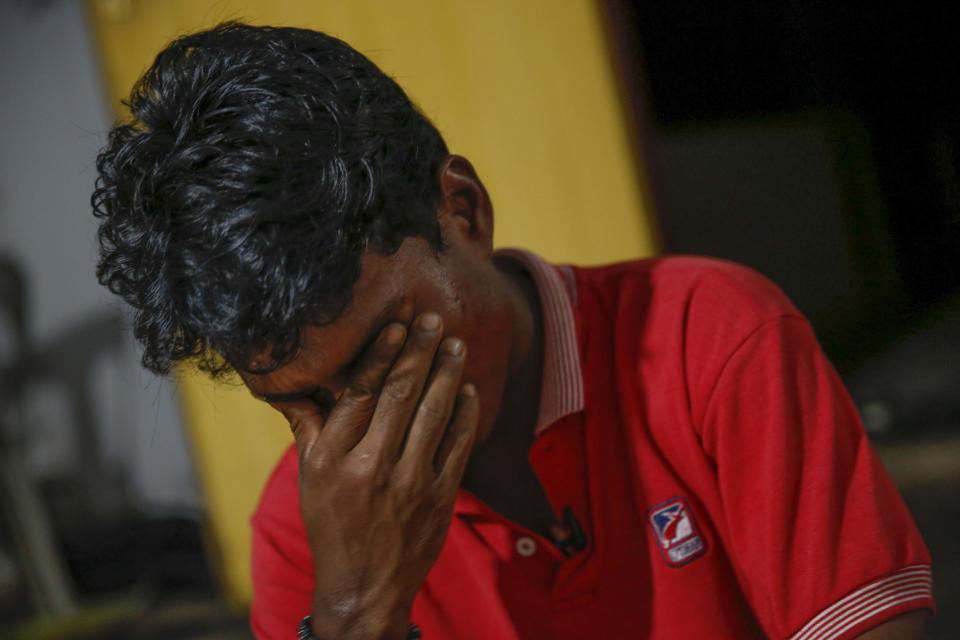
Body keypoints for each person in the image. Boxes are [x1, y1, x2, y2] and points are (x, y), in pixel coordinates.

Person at [91, 22, 934, 640]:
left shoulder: (704, 339)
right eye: (305, 401)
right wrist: (357, 611)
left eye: (385, 352)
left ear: (463, 211)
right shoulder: (303, 528)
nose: (367, 432)